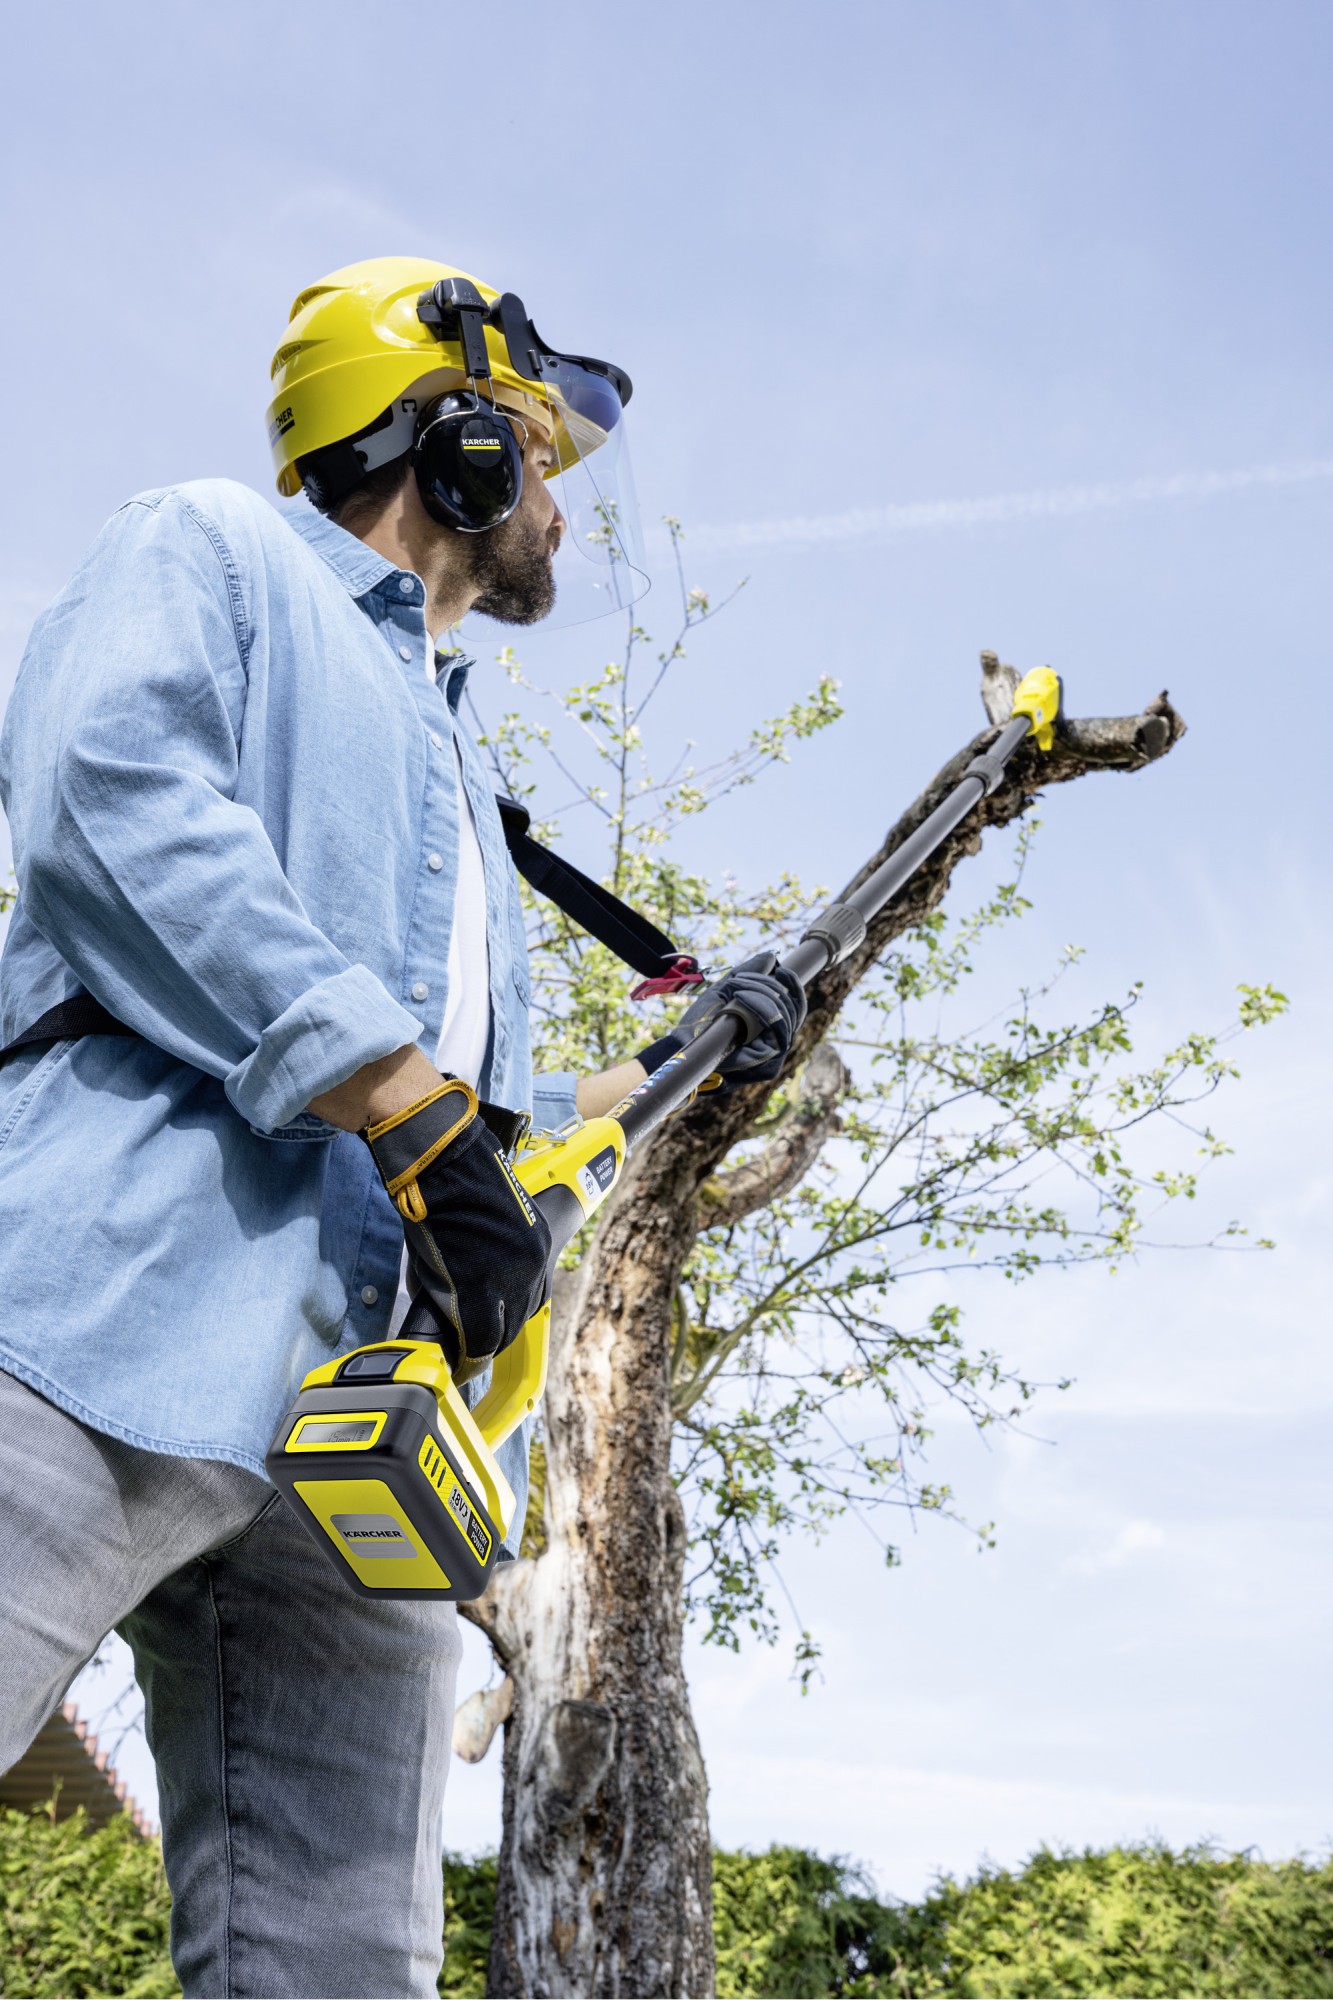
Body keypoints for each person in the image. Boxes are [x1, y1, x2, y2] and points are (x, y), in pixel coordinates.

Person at [0, 256, 804, 1998]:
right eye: (532, 457)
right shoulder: (210, 552)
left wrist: (683, 1067)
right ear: (445, 447)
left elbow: (479, 1138)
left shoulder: (462, 780)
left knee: (343, 1961)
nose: (559, 519)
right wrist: (396, 1101)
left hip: (355, 1424)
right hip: (98, 1310)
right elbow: (108, 797)